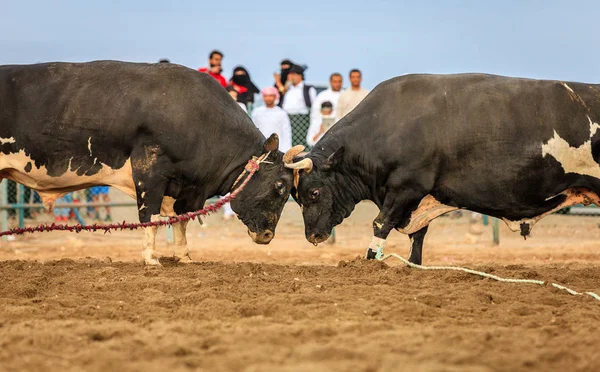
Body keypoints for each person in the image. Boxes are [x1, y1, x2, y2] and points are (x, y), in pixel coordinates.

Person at [280, 64, 317, 147]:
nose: (289, 77)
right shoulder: (287, 90)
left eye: (292, 75)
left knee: (301, 146)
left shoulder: (308, 89)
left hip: (302, 121)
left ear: (299, 76)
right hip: (287, 119)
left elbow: (313, 106)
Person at [307, 73, 344, 146]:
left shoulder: (345, 94)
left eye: (339, 81)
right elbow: (315, 113)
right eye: (335, 81)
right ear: (330, 82)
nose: (337, 84)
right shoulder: (322, 96)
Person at [251, 87, 292, 153]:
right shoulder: (256, 112)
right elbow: (253, 130)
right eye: (266, 96)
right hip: (261, 147)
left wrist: (286, 149)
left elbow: (286, 132)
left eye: (271, 96)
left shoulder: (281, 113)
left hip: (279, 148)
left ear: (276, 97)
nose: (268, 98)